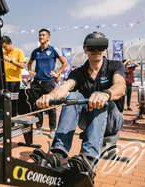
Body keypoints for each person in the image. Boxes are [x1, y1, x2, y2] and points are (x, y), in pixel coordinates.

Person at [32, 31, 126, 173]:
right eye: (92, 47)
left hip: (112, 120)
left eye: (100, 47)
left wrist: (105, 94)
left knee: (96, 94)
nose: (96, 51)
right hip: (87, 121)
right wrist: (48, 96)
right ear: (85, 49)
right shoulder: (78, 73)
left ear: (105, 48)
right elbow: (64, 88)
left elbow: (121, 86)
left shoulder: (115, 66)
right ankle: (58, 153)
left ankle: (89, 157)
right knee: (72, 96)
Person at [27, 29, 67, 139]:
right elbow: (29, 63)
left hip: (49, 82)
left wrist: (58, 73)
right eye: (40, 35)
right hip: (36, 83)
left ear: (48, 38)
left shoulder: (53, 50)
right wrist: (30, 71)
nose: (41, 37)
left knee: (51, 107)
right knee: (37, 106)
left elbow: (65, 62)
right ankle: (38, 128)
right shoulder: (35, 52)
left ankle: (52, 129)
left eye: (43, 35)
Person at [2, 36, 26, 124]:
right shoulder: (4, 53)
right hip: (5, 80)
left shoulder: (19, 52)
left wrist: (10, 61)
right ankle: (5, 121)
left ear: (10, 44)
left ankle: (13, 122)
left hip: (14, 80)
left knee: (13, 101)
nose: (4, 49)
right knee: (4, 101)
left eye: (5, 47)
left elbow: (22, 66)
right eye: (3, 47)